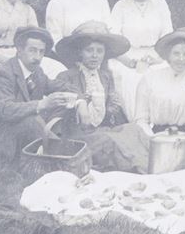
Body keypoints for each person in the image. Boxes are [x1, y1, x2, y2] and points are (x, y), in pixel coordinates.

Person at [0, 25, 81, 163]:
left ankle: (58, 151)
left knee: (58, 107)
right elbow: (6, 110)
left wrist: (79, 100)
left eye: (41, 52)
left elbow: (57, 86)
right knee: (32, 121)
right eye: (32, 50)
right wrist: (42, 104)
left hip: (18, 131)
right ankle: (61, 156)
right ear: (19, 50)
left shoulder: (36, 72)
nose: (37, 57)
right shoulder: (3, 74)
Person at [50, 22, 149, 171]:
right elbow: (57, 115)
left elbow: (106, 117)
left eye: (99, 51)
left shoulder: (105, 77)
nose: (95, 55)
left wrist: (111, 109)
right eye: (89, 50)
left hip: (100, 130)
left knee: (134, 130)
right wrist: (79, 104)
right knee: (111, 139)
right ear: (80, 53)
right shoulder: (66, 77)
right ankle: (140, 169)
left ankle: (151, 164)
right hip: (76, 137)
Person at [133, 28, 185, 168]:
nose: (181, 59)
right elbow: (140, 119)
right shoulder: (150, 79)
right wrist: (154, 141)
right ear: (168, 55)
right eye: (176, 53)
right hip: (155, 140)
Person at [110, 0, 174, 66]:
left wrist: (158, 59)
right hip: (127, 57)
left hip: (156, 56)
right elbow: (114, 37)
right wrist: (127, 61)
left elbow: (167, 34)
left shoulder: (160, 3)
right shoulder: (121, 5)